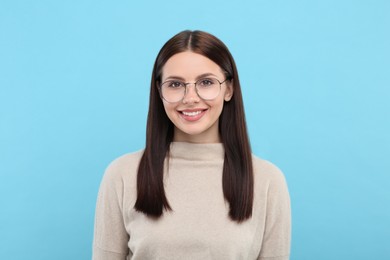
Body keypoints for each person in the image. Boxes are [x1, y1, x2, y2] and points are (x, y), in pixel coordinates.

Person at [92, 30, 291, 260]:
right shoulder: (122, 175)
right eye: (175, 84)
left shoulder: (268, 181)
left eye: (206, 82)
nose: (190, 97)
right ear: (159, 91)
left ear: (229, 88)